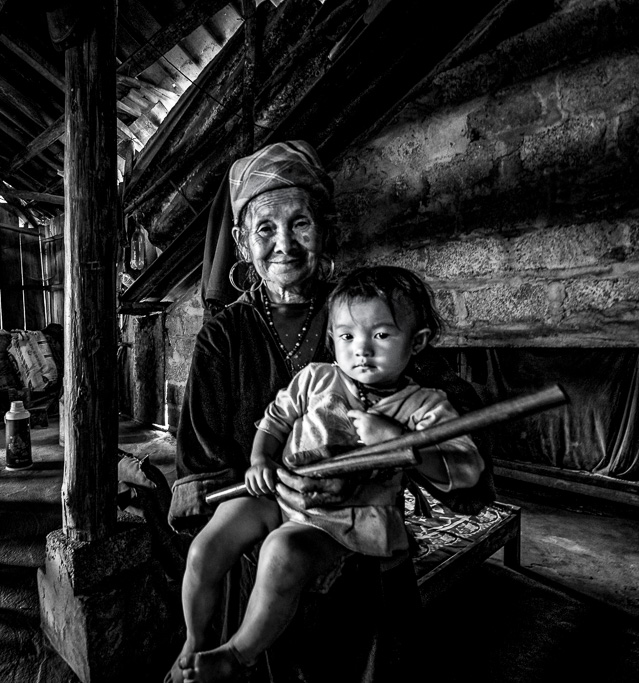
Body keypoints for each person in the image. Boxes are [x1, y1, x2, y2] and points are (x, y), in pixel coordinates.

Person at [169, 140, 491, 683]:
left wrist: (399, 451)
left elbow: (447, 417)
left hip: (357, 558)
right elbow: (202, 462)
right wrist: (269, 480)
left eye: (300, 223)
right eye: (264, 228)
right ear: (244, 245)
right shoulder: (223, 337)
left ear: (326, 229)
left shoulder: (366, 311)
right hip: (256, 561)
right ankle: (202, 648)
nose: (283, 244)